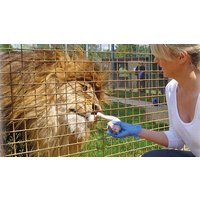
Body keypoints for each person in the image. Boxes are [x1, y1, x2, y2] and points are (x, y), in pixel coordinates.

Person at [108, 44, 200, 157]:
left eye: (159, 55)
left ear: (181, 57)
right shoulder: (171, 89)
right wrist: (136, 130)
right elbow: (177, 138)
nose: (155, 60)